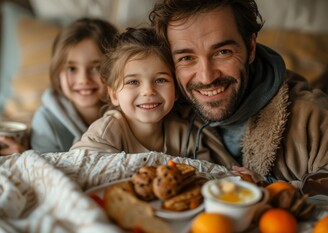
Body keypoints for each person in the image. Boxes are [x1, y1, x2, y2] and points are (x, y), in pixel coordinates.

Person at [147, 0, 328, 189]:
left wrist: (273, 188)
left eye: (222, 52)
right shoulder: (164, 113)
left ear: (251, 48)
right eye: (186, 58)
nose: (207, 77)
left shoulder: (313, 118)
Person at [71, 27, 212, 160]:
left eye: (161, 80)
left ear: (176, 90)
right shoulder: (105, 133)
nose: (148, 91)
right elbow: (79, 166)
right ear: (114, 95)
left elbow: (211, 175)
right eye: (133, 82)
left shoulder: (185, 133)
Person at [28, 18, 118, 153]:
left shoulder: (129, 115)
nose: (83, 80)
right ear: (57, 72)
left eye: (96, 67)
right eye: (72, 69)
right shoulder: (46, 122)